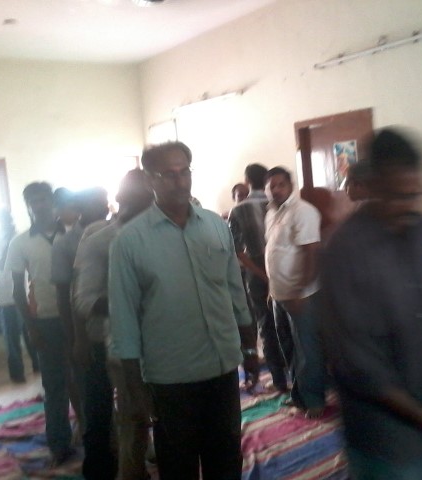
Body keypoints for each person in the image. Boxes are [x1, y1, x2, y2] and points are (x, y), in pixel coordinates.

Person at [108, 141, 259, 480]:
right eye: (169, 174)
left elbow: (235, 291)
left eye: (185, 172)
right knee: (179, 465)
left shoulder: (215, 226)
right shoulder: (130, 241)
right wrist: (135, 388)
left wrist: (249, 349)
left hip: (221, 367)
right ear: (150, 180)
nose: (180, 182)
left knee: (226, 459)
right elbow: (124, 319)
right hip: (170, 377)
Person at [321, 128, 422, 479]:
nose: (410, 205)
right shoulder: (344, 249)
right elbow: (356, 360)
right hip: (384, 436)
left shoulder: (420, 228)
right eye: (399, 196)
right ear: (373, 185)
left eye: (416, 194)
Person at [73, 169, 154, 480]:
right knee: (133, 420)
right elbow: (85, 300)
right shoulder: (100, 241)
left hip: (174, 344)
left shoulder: (171, 234)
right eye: (137, 199)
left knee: (174, 418)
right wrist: (133, 299)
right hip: (127, 348)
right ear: (119, 199)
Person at [5, 182, 74, 466]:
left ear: (53, 202)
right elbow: (18, 291)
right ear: (28, 206)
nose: (40, 205)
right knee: (54, 386)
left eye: (44, 199)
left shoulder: (73, 233)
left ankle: (93, 434)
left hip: (78, 319)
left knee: (85, 381)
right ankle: (59, 444)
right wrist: (31, 327)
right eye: (34, 201)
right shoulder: (19, 243)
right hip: (44, 321)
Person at [264, 166, 327, 418]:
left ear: (290, 186)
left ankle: (315, 401)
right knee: (288, 347)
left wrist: (301, 290)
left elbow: (312, 252)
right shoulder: (271, 213)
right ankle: (299, 395)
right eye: (272, 186)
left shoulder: (303, 211)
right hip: (279, 293)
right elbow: (275, 252)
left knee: (308, 350)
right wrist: (272, 289)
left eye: (281, 185)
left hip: (301, 295)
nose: (276, 190)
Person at [51, 186, 109, 445]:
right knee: (95, 394)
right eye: (97, 202)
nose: (105, 207)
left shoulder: (120, 232)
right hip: (89, 330)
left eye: (105, 201)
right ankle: (99, 443)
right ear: (80, 209)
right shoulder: (65, 243)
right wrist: (75, 338)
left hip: (122, 328)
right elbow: (65, 295)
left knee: (130, 390)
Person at [228, 163, 292, 393]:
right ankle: (296, 376)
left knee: (266, 325)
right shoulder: (279, 204)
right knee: (288, 324)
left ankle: (279, 380)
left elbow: (237, 251)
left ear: (247, 181)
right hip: (284, 270)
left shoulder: (238, 210)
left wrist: (260, 273)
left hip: (256, 275)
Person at [0, 209, 38, 383]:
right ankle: (17, 374)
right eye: (4, 219)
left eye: (9, 218)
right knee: (12, 339)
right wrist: (9, 244)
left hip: (23, 292)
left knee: (31, 332)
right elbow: (0, 263)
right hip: (4, 296)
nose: (8, 222)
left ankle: (38, 366)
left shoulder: (20, 238)